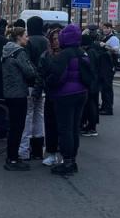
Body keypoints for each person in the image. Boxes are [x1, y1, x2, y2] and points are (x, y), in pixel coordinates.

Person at [46, 24, 90, 177]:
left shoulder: (64, 55)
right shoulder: (83, 53)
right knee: (74, 129)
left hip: (64, 95)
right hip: (81, 93)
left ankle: (67, 162)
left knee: (65, 130)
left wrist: (49, 85)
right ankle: (73, 160)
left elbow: (56, 76)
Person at [1, 26, 37, 171]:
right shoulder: (19, 52)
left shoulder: (6, 50)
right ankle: (13, 159)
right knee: (18, 127)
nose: (27, 38)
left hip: (9, 91)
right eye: (25, 36)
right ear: (19, 37)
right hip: (19, 93)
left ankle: (11, 156)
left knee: (13, 126)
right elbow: (29, 72)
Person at [18, 16, 48, 161]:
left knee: (28, 116)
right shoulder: (46, 41)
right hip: (43, 84)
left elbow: (27, 63)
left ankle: (24, 150)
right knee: (39, 115)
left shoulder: (29, 42)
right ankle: (38, 149)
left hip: (30, 83)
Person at [40, 26, 63, 167]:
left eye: (58, 39)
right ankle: (52, 153)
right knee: (50, 126)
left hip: (63, 95)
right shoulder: (46, 55)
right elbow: (41, 73)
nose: (56, 41)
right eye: (53, 39)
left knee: (63, 127)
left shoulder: (66, 55)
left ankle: (63, 154)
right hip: (50, 94)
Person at [79, 29, 101, 137]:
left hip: (91, 83)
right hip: (95, 82)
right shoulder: (93, 51)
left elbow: (90, 68)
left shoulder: (90, 53)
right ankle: (91, 125)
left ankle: (91, 127)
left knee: (91, 105)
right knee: (93, 104)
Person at [98, 22, 118, 115]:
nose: (105, 30)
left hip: (109, 66)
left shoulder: (113, 38)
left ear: (110, 28)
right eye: (104, 28)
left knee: (107, 88)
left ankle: (108, 108)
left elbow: (115, 50)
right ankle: (104, 106)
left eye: (106, 28)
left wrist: (105, 46)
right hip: (103, 66)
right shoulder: (104, 37)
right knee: (103, 88)